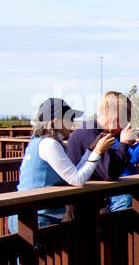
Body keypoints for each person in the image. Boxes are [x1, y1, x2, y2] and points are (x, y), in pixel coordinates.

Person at [7, 97, 117, 233]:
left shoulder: (38, 141)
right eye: (70, 118)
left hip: (26, 215)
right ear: (57, 122)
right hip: (38, 217)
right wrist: (98, 152)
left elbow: (72, 174)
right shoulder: (50, 144)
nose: (73, 123)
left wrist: (91, 151)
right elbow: (77, 180)